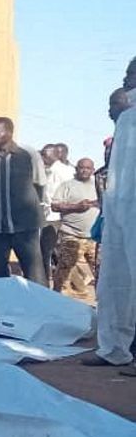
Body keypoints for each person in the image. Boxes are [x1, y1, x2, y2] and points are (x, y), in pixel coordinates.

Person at [90, 84, 136, 374]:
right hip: (118, 209)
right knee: (114, 282)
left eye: (132, 76)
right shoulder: (125, 122)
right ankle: (113, 349)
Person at [0, 117, 46, 285]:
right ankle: (1, 309)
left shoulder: (28, 154)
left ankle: (41, 308)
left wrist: (27, 210)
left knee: (34, 272)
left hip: (25, 226)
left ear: (9, 133)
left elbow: (39, 185)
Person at [51, 158, 100, 298]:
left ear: (93, 170)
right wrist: (76, 207)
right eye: (81, 167)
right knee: (65, 267)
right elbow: (55, 206)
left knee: (101, 270)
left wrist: (98, 203)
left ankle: (101, 302)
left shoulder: (98, 186)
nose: (84, 170)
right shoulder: (67, 185)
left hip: (94, 236)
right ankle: (58, 298)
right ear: (76, 169)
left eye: (88, 168)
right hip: (71, 234)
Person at [41, 143, 75, 285]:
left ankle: (44, 281)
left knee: (47, 249)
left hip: (57, 216)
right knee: (49, 250)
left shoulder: (63, 171)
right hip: (46, 214)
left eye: (44, 155)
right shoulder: (48, 170)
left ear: (54, 155)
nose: (42, 158)